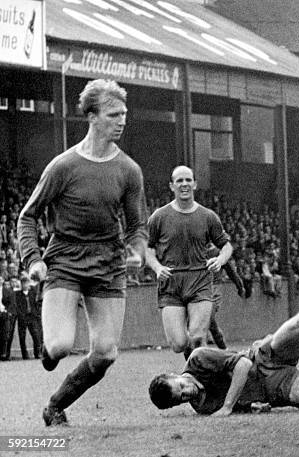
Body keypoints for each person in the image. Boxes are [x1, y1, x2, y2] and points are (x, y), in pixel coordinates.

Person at [17, 79, 147, 426]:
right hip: (65, 261)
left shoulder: (129, 170)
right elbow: (27, 216)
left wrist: (136, 251)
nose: (121, 120)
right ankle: (48, 348)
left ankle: (56, 406)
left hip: (107, 263)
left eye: (124, 114)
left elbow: (137, 226)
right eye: (113, 114)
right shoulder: (63, 166)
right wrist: (33, 259)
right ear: (92, 116)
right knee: (59, 347)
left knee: (105, 353)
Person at [148, 254, 299, 416]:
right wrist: (253, 407)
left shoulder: (199, 359)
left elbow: (243, 364)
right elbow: (243, 404)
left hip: (264, 358)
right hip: (274, 388)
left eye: (181, 387)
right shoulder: (203, 406)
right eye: (182, 398)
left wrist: (228, 407)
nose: (188, 393)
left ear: (173, 375)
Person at [145, 166, 233, 359]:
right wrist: (157, 267)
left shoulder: (208, 216)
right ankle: (191, 359)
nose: (184, 184)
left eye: (187, 180)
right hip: (171, 282)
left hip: (199, 280)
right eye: (179, 181)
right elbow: (147, 249)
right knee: (178, 343)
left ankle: (197, 380)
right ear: (171, 186)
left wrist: (219, 260)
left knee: (197, 338)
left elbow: (227, 246)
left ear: (195, 184)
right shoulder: (159, 217)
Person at [207, 245, 245, 350]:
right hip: (199, 289)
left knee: (209, 319)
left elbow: (230, 270)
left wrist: (239, 286)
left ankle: (223, 348)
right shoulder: (195, 249)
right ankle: (222, 349)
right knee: (207, 322)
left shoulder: (217, 252)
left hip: (214, 289)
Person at [15, 273, 42, 359]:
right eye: (23, 283)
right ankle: (25, 355)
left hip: (32, 316)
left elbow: (36, 303)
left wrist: (36, 313)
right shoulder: (17, 294)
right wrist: (21, 315)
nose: (25, 285)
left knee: (36, 335)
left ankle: (37, 353)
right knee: (22, 337)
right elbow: (17, 306)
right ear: (21, 284)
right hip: (23, 317)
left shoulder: (32, 293)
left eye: (27, 283)